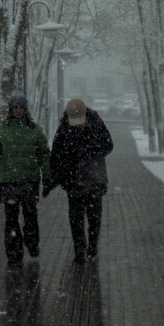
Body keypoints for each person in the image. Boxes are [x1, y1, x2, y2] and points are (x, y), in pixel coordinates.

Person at [0, 92, 50, 266]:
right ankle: (14, 254)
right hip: (8, 181)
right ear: (10, 109)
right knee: (11, 220)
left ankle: (32, 243)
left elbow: (44, 155)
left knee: (30, 217)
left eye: (21, 107)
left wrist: (47, 177)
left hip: (29, 180)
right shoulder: (2, 130)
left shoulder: (35, 130)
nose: (18, 110)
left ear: (25, 109)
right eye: (15, 107)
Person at [45, 97, 114, 263]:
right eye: (73, 120)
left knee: (94, 218)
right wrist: (52, 179)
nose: (77, 123)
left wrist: (90, 151)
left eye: (79, 119)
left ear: (85, 114)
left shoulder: (96, 124)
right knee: (76, 219)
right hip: (74, 181)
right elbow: (56, 157)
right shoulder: (63, 130)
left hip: (95, 180)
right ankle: (80, 251)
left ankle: (92, 248)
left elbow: (108, 145)